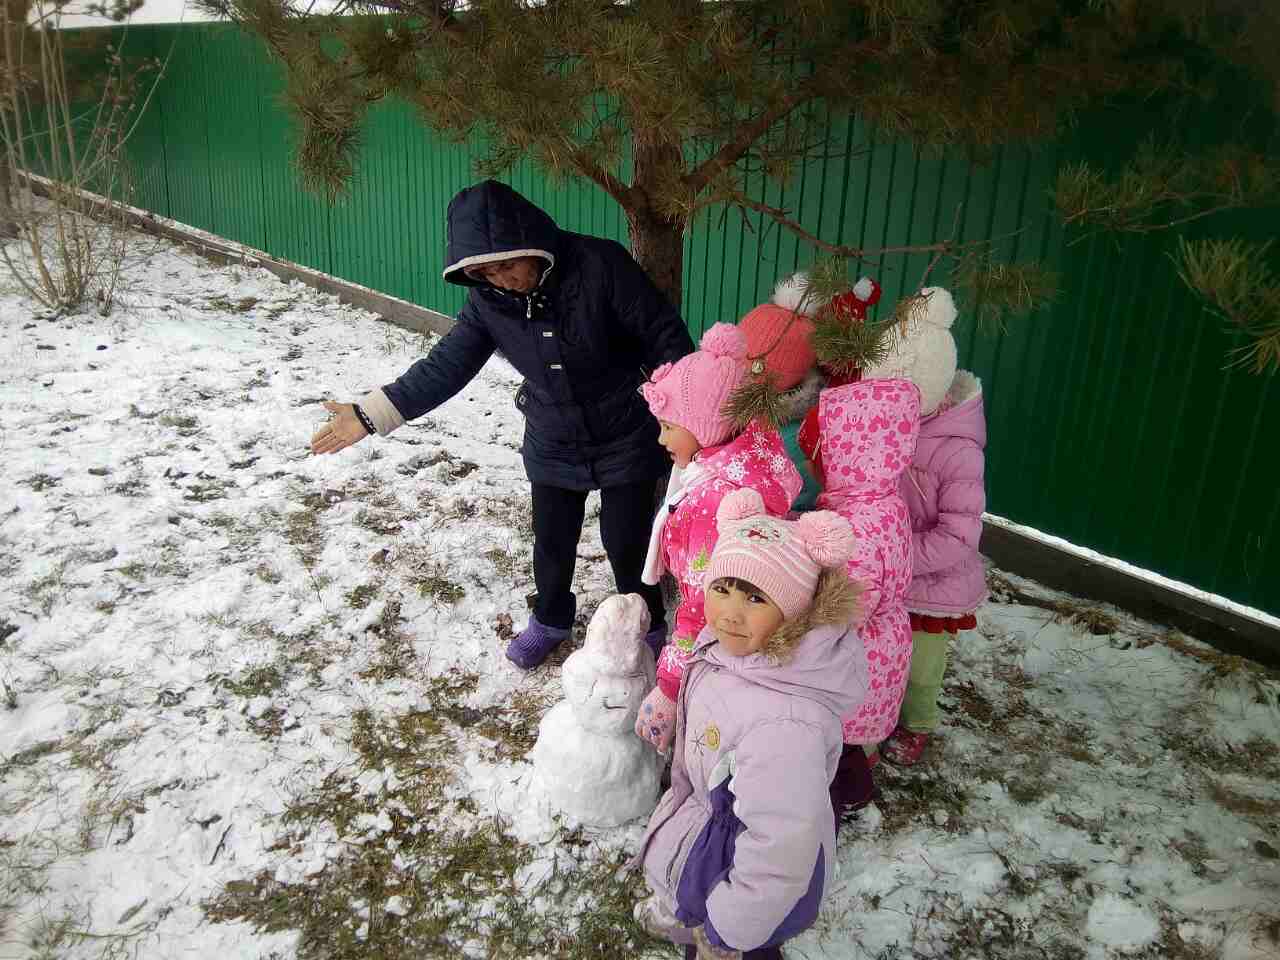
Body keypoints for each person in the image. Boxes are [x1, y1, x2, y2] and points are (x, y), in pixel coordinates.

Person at [309, 179, 694, 669]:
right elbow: (447, 365)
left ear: (532, 245)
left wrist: (686, 412)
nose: (502, 280)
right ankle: (551, 619)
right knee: (551, 539)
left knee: (627, 540)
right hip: (553, 434)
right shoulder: (488, 302)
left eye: (508, 265)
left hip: (626, 426)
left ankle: (647, 624)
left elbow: (664, 335)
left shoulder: (601, 265)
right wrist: (370, 414)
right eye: (486, 272)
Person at [632, 488, 865, 960]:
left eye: (756, 597)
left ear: (794, 611)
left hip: (741, 886)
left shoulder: (784, 724)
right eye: (722, 588)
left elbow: (779, 850)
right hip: (712, 844)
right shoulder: (731, 651)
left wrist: (731, 928)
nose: (730, 613)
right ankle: (685, 910)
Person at [633, 324, 803, 755]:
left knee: (706, 739)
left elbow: (701, 607)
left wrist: (669, 687)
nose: (661, 438)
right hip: (745, 641)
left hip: (714, 650)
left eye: (668, 425)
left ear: (706, 426)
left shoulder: (714, 502)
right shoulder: (742, 465)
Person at [868, 288, 988, 766]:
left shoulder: (957, 450)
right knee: (877, 658)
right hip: (883, 576)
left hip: (929, 584)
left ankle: (917, 721)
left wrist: (895, 556)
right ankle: (874, 716)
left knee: (920, 666)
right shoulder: (879, 428)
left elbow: (959, 535)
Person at [798, 375, 920, 822]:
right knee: (850, 739)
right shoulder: (884, 501)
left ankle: (844, 798)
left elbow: (849, 607)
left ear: (846, 455)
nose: (812, 463)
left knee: (839, 742)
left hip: (859, 655)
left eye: (819, 454)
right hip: (885, 644)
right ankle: (856, 774)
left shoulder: (858, 528)